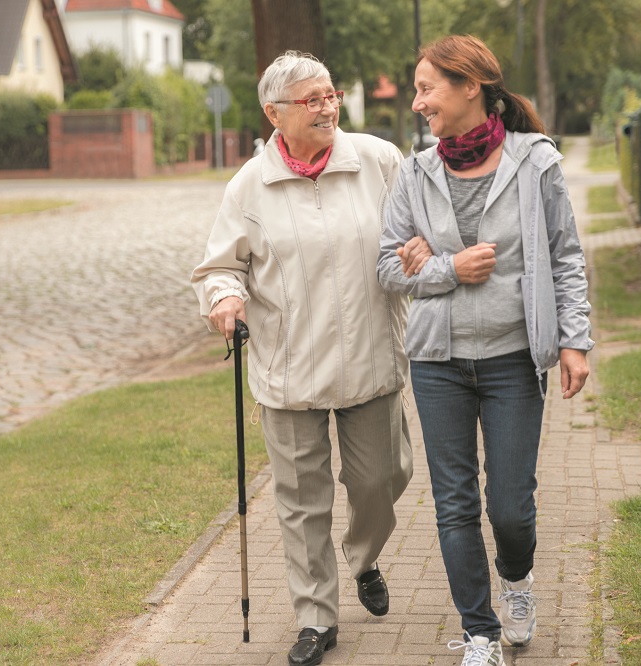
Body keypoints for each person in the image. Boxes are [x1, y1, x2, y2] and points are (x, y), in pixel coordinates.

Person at [376, 35, 593, 666]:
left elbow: (565, 256)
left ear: (471, 85)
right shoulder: (415, 173)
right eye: (416, 89)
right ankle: (479, 632)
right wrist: (446, 268)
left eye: (426, 88)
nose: (418, 102)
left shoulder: (536, 162)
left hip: (512, 360)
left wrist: (575, 340)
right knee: (454, 504)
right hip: (436, 362)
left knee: (510, 509)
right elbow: (389, 268)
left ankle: (517, 582)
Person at [192, 51, 413, 666]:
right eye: (311, 99)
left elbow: (414, 236)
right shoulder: (250, 186)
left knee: (382, 479)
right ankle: (316, 617)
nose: (326, 107)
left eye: (330, 95)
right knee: (300, 501)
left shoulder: (377, 161)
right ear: (274, 113)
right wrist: (226, 298)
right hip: (286, 371)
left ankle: (365, 557)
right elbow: (218, 266)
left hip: (370, 359)